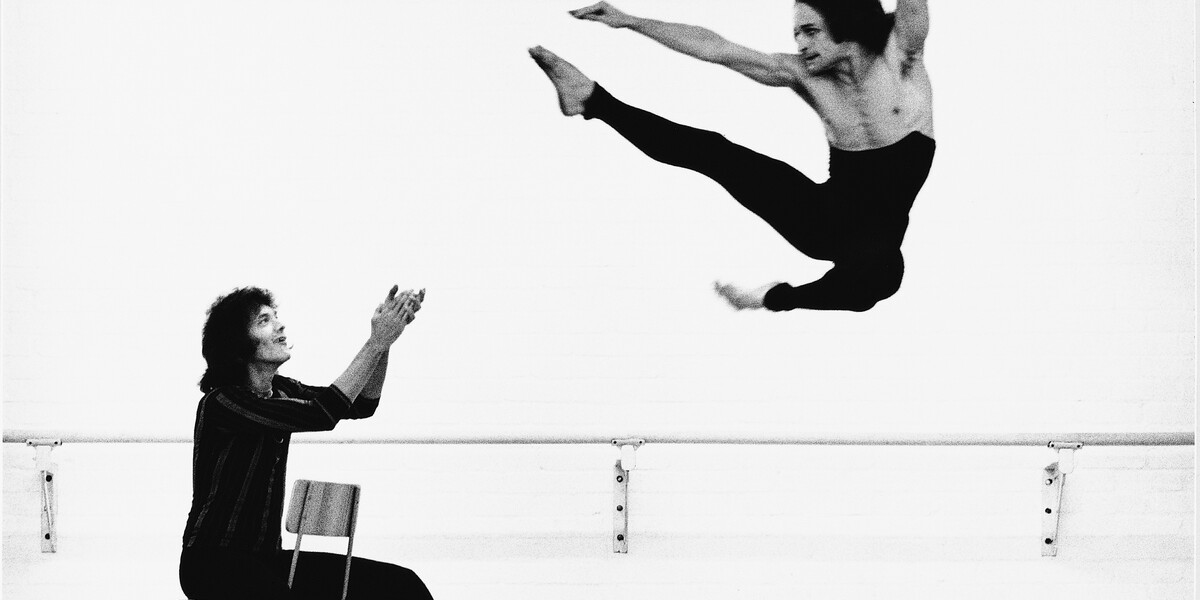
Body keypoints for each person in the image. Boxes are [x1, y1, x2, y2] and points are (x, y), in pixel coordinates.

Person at [530, 0, 935, 312]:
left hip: (876, 245)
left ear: (845, 21)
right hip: (821, 220)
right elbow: (716, 47)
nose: (801, 44)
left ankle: (766, 298)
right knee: (714, 152)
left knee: (881, 276)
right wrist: (629, 21)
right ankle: (591, 100)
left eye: (810, 31)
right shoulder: (802, 74)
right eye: (797, 34)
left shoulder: (902, 55)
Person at [179, 285, 434, 600]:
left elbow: (361, 404)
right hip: (213, 562)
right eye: (264, 321)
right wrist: (375, 342)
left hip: (265, 560)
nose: (280, 325)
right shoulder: (223, 401)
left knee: (401, 585)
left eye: (276, 318)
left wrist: (385, 344)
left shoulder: (282, 389)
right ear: (239, 343)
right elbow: (323, 413)